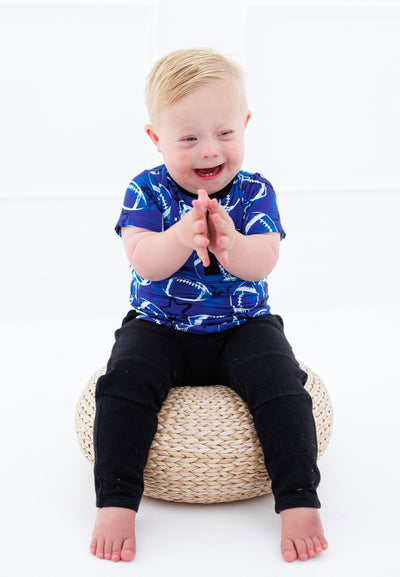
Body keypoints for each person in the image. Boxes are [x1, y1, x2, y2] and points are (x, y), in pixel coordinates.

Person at [89, 48, 328, 563]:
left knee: (283, 386)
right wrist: (180, 234)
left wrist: (229, 244)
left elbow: (262, 262)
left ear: (244, 126)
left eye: (223, 134)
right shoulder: (145, 190)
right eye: (189, 138)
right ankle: (115, 500)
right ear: (156, 139)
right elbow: (146, 263)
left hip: (244, 324)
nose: (208, 151)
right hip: (159, 323)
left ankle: (299, 499)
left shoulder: (256, 192)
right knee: (123, 383)